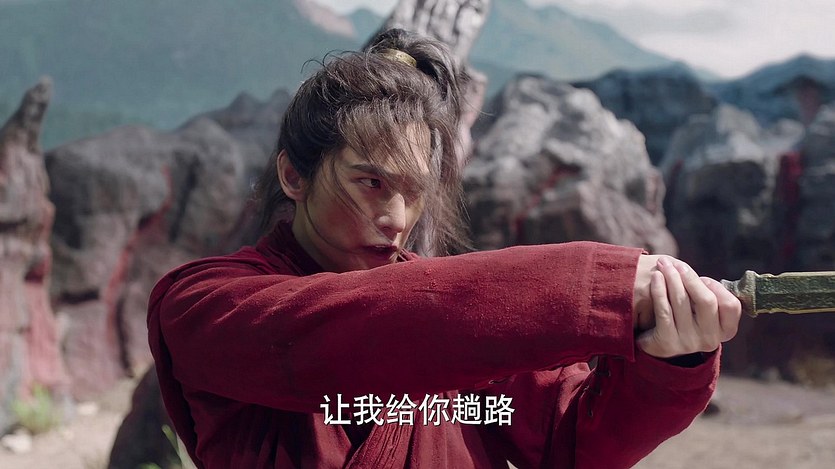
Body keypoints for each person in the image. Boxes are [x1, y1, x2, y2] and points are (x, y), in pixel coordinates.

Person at [147, 28, 741, 468]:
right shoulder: (204, 304)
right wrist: (608, 287)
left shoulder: (457, 337)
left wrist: (669, 358)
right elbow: (359, 331)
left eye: (415, 193)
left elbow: (572, 438)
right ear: (293, 176)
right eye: (370, 182)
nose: (397, 219)